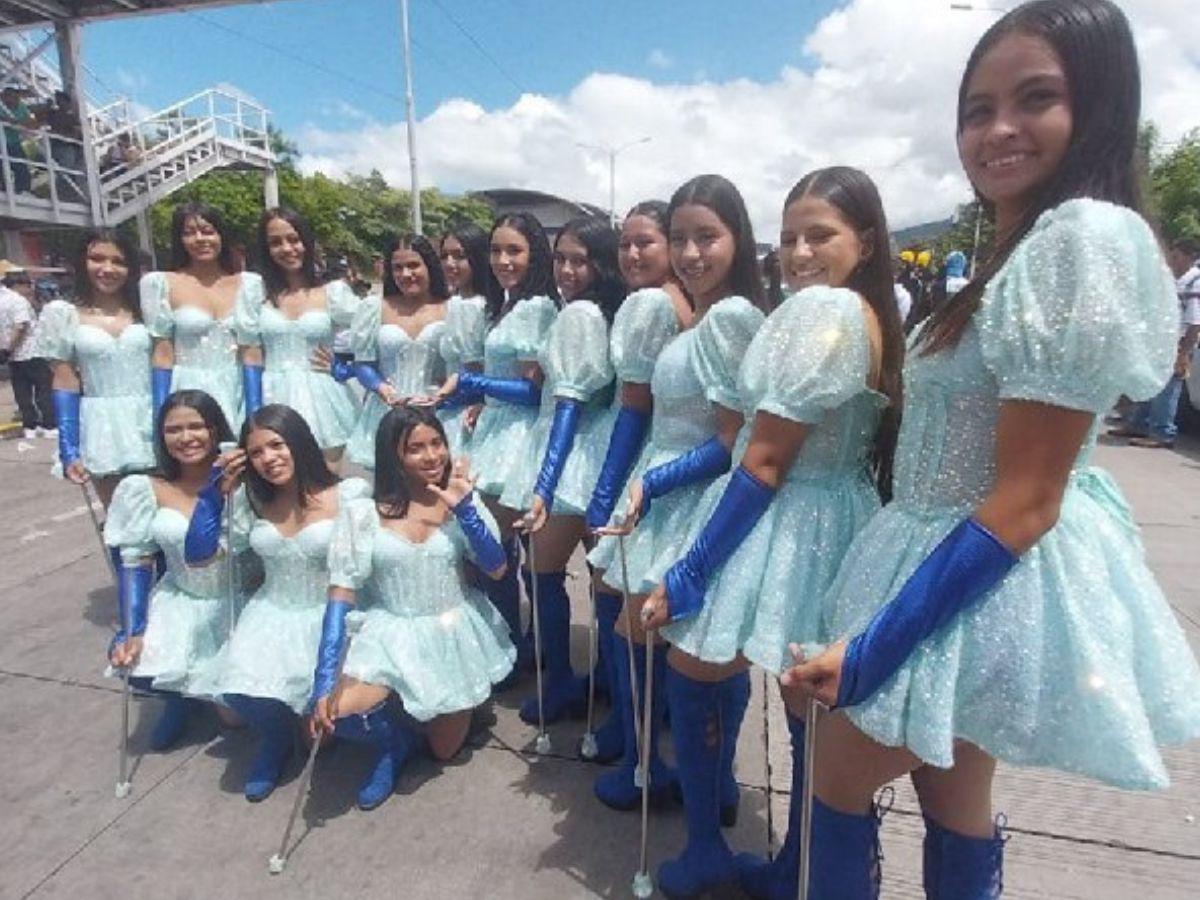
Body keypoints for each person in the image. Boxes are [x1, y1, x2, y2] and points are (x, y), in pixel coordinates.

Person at [782, 2, 1200, 895]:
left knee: (838, 777)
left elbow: (1027, 500)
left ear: (1099, 106)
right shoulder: (1020, 246)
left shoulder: (1076, 239)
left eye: (1035, 98)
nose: (998, 129)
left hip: (970, 575)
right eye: (977, 108)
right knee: (953, 793)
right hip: (942, 560)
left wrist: (871, 651)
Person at [638, 166, 903, 897]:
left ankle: (718, 852)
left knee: (712, 673)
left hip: (796, 518)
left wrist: (690, 567)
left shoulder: (826, 313)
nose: (800, 252)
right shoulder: (857, 311)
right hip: (820, 510)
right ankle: (793, 863)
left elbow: (762, 460)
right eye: (789, 237)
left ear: (868, 242)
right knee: (799, 699)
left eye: (821, 235)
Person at [590, 174, 766, 862]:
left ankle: (692, 783)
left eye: (707, 237)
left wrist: (651, 485)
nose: (691, 252)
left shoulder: (726, 318)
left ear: (738, 240)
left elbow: (733, 442)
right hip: (664, 491)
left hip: (689, 498)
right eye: (683, 238)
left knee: (690, 651)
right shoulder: (701, 313)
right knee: (669, 643)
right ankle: (694, 782)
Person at [309, 407, 515, 810]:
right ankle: (393, 743)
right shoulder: (363, 513)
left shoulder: (462, 499)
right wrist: (323, 678)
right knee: (338, 714)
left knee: (444, 751)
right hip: (391, 629)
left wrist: (466, 510)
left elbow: (497, 567)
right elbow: (341, 592)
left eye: (437, 443)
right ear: (393, 457)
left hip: (451, 631)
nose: (432, 456)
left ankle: (446, 707)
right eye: (415, 448)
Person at [187, 404, 369, 801]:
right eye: (256, 452)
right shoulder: (250, 503)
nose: (268, 459)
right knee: (238, 692)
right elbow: (199, 556)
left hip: (334, 613)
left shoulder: (348, 494)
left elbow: (358, 571)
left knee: (332, 733)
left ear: (299, 442)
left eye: (276, 445)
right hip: (270, 611)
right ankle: (274, 738)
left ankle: (374, 741)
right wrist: (213, 496)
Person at [582, 200, 692, 773]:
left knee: (617, 597)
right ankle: (646, 731)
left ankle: (634, 738)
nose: (630, 253)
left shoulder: (649, 305)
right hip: (682, 461)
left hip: (652, 462)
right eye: (624, 243)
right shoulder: (684, 302)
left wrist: (603, 494)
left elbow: (633, 408)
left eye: (644, 242)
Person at [503, 216, 625, 725]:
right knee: (602, 584)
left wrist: (546, 485)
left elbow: (570, 401)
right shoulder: (597, 311)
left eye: (581, 259)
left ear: (600, 263)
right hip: (590, 452)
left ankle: (562, 685)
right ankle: (611, 686)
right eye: (561, 259)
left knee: (543, 573)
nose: (569, 269)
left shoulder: (579, 316)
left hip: (570, 452)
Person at [434, 213, 560, 662]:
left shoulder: (537, 307)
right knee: (496, 551)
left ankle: (531, 652)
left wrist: (474, 387)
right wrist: (482, 398)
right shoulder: (508, 304)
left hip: (521, 440)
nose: (503, 260)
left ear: (535, 255)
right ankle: (509, 644)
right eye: (496, 251)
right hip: (495, 432)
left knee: (521, 558)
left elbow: (533, 390)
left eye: (515, 251)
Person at [103, 390, 239, 752]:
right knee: (135, 657)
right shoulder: (144, 488)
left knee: (235, 719)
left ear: (215, 429)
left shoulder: (242, 478)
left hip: (239, 600)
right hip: (182, 595)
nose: (186, 437)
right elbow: (136, 560)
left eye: (196, 426)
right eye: (173, 429)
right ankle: (175, 699)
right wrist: (133, 628)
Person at [41, 230, 154, 509]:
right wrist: (69, 447)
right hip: (102, 425)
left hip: (151, 420)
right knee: (120, 519)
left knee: (160, 518)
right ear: (82, 262)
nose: (107, 269)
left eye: (118, 261)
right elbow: (65, 381)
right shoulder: (64, 314)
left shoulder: (148, 311)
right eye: (97, 259)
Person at [238, 208, 359, 465]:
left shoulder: (333, 292)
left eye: (293, 239)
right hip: (271, 393)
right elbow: (250, 353)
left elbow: (372, 335)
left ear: (307, 241)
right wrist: (253, 410)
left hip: (324, 400)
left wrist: (346, 368)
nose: (287, 248)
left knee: (327, 478)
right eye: (275, 242)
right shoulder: (254, 293)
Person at [141, 201, 264, 433]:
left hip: (236, 389)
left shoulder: (249, 284)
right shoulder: (161, 283)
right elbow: (162, 352)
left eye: (208, 231)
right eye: (189, 233)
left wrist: (255, 413)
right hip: (186, 390)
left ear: (221, 235)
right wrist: (161, 415)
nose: (200, 239)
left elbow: (251, 351)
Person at [346, 234, 450, 469]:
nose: (405, 274)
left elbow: (461, 366)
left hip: (437, 412)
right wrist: (383, 390)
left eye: (413, 265)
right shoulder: (374, 308)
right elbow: (363, 363)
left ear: (429, 266)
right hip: (386, 411)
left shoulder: (452, 309)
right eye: (398, 268)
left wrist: (442, 394)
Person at [1109, 237, 1200, 449]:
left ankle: (1162, 433)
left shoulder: (1195, 281)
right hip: (1162, 340)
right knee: (1147, 382)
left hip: (1178, 343)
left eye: (1176, 257)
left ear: (1189, 257)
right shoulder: (1176, 279)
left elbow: (1195, 322)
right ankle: (1139, 424)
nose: (1172, 261)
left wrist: (1183, 353)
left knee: (1167, 390)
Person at [438, 221, 493, 452]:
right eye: (445, 256)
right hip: (450, 408)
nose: (450, 263)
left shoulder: (474, 306)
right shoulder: (456, 303)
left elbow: (474, 369)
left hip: (464, 412)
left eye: (459, 256)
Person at [3, 269, 55, 438]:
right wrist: (9, 348)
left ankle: (30, 425)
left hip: (13, 356)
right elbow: (21, 325)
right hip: (31, 351)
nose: (30, 288)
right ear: (17, 285)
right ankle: (49, 425)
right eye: (27, 285)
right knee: (43, 390)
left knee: (22, 392)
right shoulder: (17, 300)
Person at [0, 85, 33, 194]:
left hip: (14, 142)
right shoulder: (1, 105)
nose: (11, 99)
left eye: (14, 97)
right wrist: (9, 121)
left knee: (21, 166)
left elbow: (29, 121)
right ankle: (3, 189)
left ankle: (23, 191)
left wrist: (16, 122)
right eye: (7, 96)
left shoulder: (21, 106)